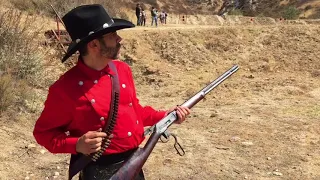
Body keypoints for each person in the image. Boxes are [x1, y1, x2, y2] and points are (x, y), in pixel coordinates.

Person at [33, 4, 190, 180]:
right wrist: (76, 144)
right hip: (98, 171)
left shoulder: (122, 70)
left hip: (134, 162)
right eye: (113, 35)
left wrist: (166, 116)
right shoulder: (64, 88)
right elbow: (43, 134)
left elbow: (134, 111)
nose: (119, 39)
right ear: (94, 44)